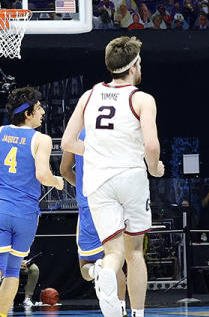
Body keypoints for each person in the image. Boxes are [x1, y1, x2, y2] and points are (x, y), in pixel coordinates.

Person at [60, 36, 165, 317]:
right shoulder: (142, 98)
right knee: (135, 253)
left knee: (113, 253)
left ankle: (106, 273)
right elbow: (151, 146)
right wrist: (155, 168)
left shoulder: (89, 95)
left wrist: (97, 152)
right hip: (130, 176)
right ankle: (138, 313)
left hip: (98, 181)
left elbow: (67, 143)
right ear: (133, 67)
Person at [0, 87, 65, 317]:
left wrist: (3, 180)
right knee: (13, 270)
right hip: (25, 214)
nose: (43, 111)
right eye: (39, 108)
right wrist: (58, 182)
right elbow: (43, 175)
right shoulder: (41, 140)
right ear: (27, 113)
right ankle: (3, 315)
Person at [60, 129, 129, 313]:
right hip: (112, 202)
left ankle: (96, 271)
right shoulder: (114, 128)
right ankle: (121, 309)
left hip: (88, 203)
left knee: (86, 266)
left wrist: (81, 185)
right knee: (115, 259)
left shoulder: (77, 132)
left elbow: (64, 170)